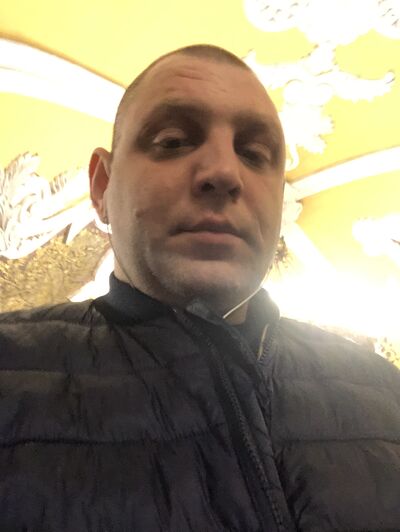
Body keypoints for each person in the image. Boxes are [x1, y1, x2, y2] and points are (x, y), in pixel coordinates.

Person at [0, 44, 399, 532]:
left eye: (255, 154)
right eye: (172, 141)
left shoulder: (386, 392)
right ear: (102, 186)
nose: (225, 173)